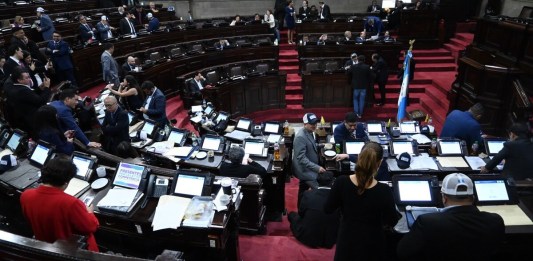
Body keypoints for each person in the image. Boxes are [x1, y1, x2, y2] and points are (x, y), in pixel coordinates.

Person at [397, 173, 505, 260]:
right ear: (473, 198)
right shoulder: (495, 220)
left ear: (444, 198)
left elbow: (403, 252)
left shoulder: (427, 222)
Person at [325, 142, 400, 261]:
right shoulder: (384, 190)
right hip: (373, 242)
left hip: (347, 238)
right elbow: (392, 221)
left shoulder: (341, 182)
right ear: (379, 163)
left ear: (359, 157)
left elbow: (328, 209)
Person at [20, 157, 99, 252]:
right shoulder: (71, 203)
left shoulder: (26, 195)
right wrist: (90, 213)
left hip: (44, 246)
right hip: (73, 251)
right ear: (66, 182)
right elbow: (90, 227)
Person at [288, 171, 340, 248]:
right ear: (332, 182)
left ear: (317, 181)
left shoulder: (308, 194)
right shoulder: (338, 197)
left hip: (309, 237)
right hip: (331, 238)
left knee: (292, 215)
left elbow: (301, 213)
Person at [293, 113, 326, 207]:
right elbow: (301, 158)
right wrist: (317, 168)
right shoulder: (300, 137)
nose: (315, 125)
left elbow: (310, 145)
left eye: (315, 123)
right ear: (305, 124)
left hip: (309, 167)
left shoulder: (309, 132)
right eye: (312, 123)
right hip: (305, 170)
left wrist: (321, 146)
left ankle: (301, 209)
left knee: (303, 188)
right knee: (320, 190)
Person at [5, 67, 51, 136]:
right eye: (27, 78)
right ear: (19, 80)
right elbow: (41, 102)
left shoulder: (15, 87)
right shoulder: (22, 90)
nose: (30, 79)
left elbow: (29, 97)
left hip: (22, 120)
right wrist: (47, 88)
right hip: (32, 121)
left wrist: (40, 88)